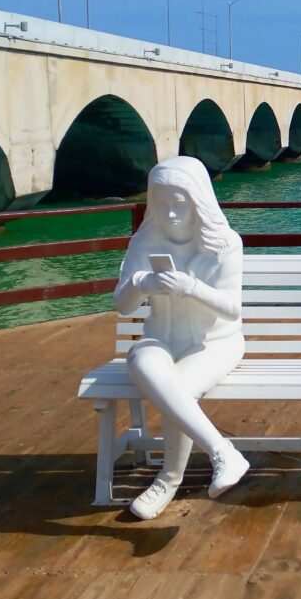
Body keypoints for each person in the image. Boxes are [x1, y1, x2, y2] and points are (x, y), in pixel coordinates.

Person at [113, 155, 249, 519]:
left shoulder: (224, 245)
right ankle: (224, 452)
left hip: (215, 343)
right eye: (163, 204)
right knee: (142, 359)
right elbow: (122, 306)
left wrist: (191, 287)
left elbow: (231, 309)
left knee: (180, 388)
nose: (171, 214)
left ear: (198, 201)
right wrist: (143, 282)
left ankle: (168, 479)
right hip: (161, 339)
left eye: (180, 204)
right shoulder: (144, 244)